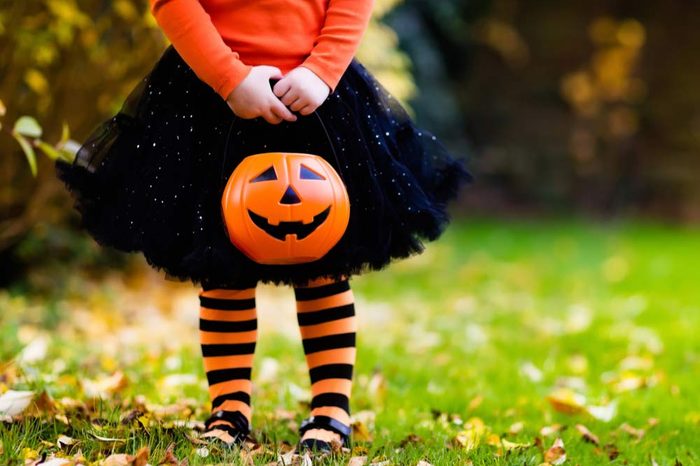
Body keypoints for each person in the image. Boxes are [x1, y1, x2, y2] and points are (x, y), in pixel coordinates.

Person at [54, 0, 471, 455]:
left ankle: (331, 410)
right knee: (221, 266)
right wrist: (230, 78)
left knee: (324, 263)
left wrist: (323, 71)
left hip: (314, 94)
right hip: (210, 99)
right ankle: (229, 408)